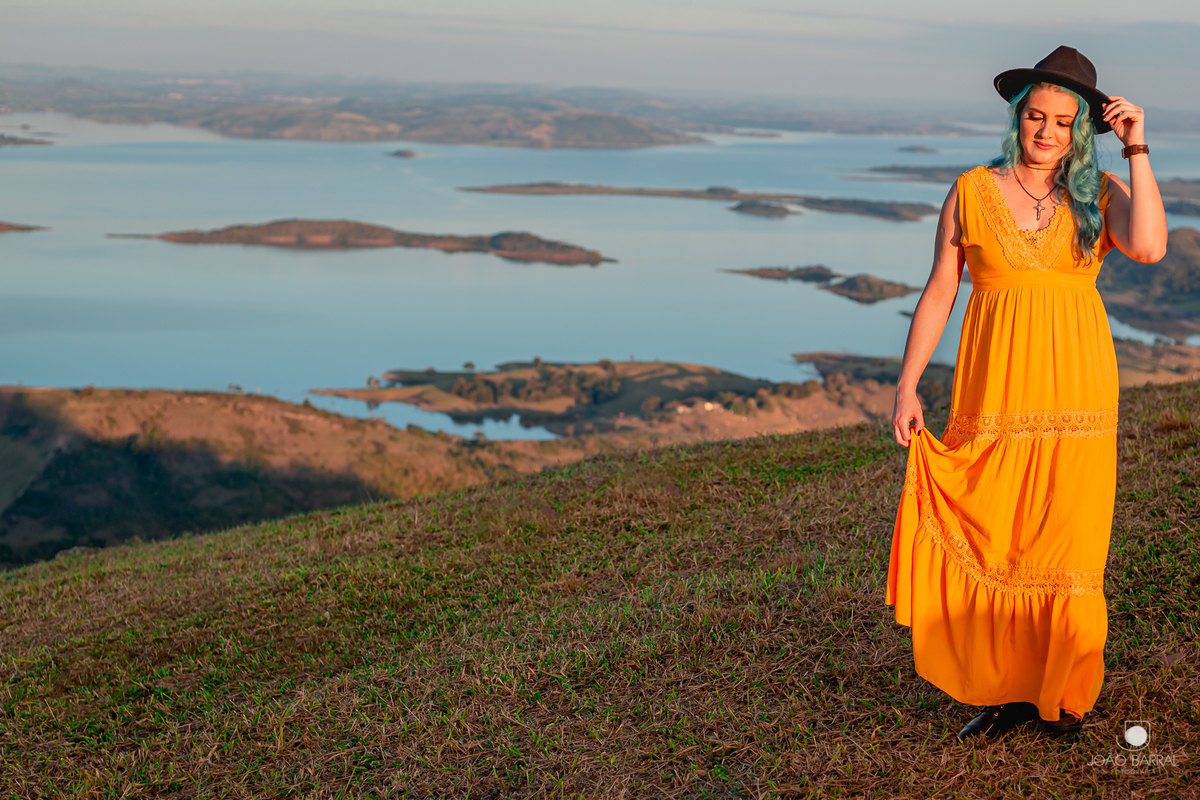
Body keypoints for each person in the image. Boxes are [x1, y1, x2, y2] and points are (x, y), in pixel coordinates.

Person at [886, 46, 1167, 740]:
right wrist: (907, 384)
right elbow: (941, 291)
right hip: (996, 389)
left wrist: (1137, 148)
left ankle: (1064, 693)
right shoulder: (971, 190)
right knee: (1002, 530)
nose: (1047, 132)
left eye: (1064, 121)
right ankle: (1008, 688)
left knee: (1068, 538)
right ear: (1019, 118)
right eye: (1036, 116)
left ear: (1083, 130)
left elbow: (1152, 247)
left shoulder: (1098, 195)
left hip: (1079, 391)